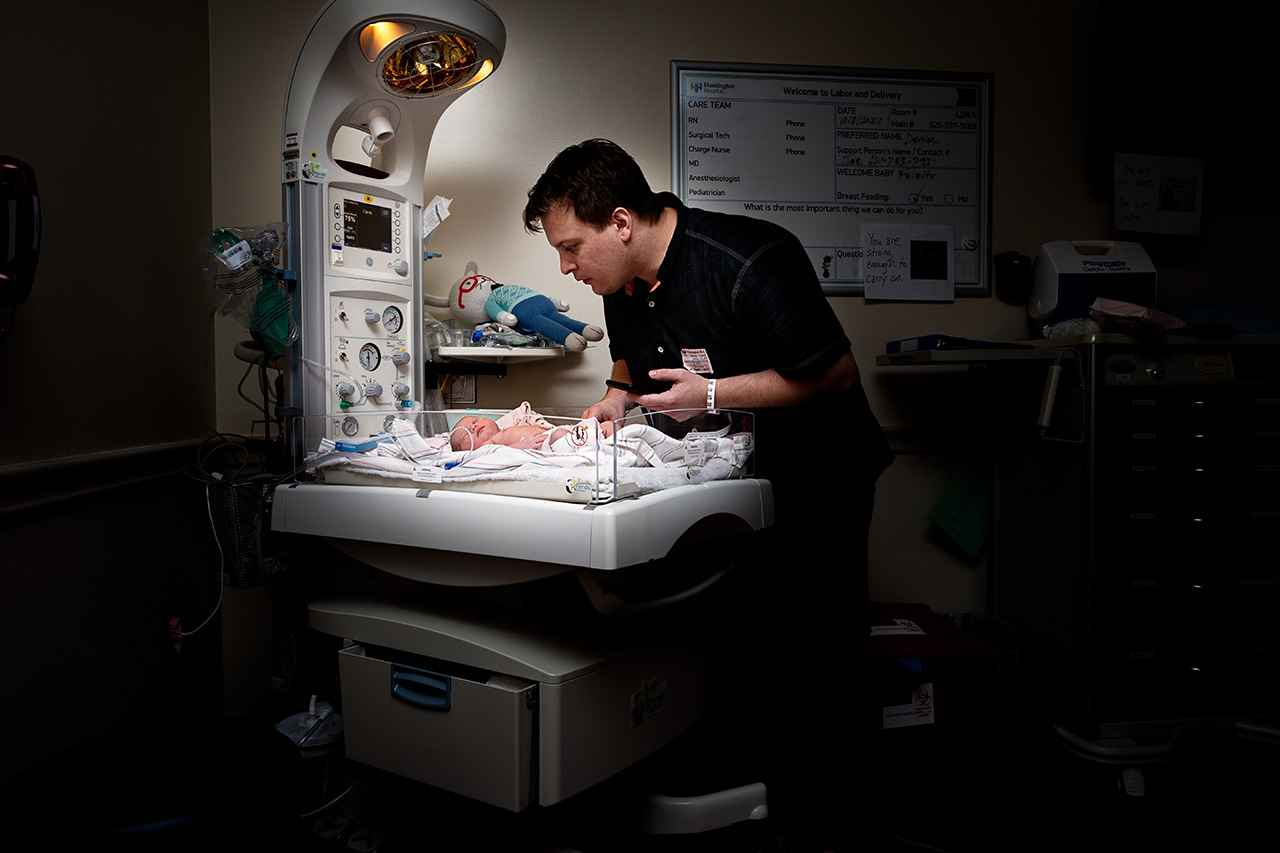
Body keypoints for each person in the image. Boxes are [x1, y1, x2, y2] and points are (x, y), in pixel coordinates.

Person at [524, 139, 893, 849]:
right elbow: (632, 358)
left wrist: (713, 391)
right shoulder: (622, 286)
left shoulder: (748, 261)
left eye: (572, 247)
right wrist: (613, 398)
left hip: (821, 472)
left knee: (819, 648)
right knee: (743, 638)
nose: (565, 267)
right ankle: (745, 792)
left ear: (622, 224)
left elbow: (836, 373)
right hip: (734, 482)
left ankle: (835, 820)